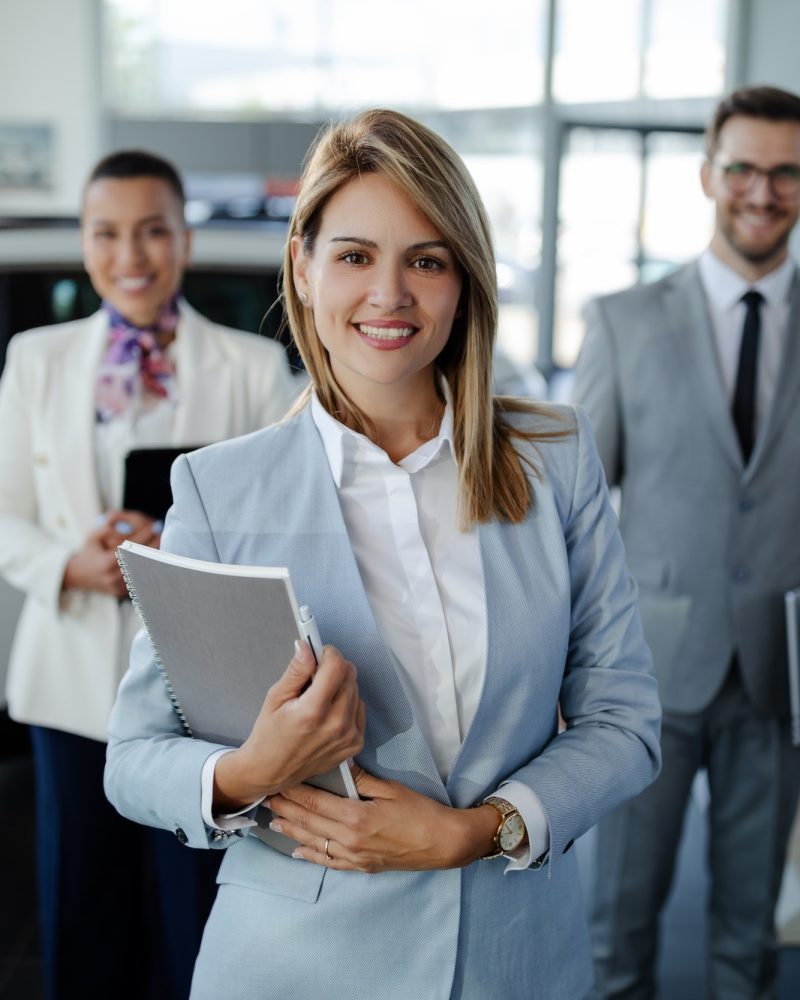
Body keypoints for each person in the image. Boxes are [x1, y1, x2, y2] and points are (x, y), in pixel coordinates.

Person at [104, 109, 660, 1000]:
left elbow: (625, 719)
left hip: (513, 960)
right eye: (356, 255)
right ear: (305, 267)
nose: (390, 294)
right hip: (296, 963)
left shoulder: (553, 458)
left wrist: (480, 831)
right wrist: (252, 768)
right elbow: (134, 759)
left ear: (465, 282)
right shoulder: (221, 489)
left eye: (427, 261)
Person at [0, 149, 297, 999]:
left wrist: (172, 544)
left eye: (152, 230)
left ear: (183, 239)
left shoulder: (248, 368)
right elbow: (6, 510)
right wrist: (69, 561)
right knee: (81, 904)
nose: (131, 254)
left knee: (192, 912)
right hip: (69, 683)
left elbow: (273, 519)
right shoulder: (37, 358)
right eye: (108, 232)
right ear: (86, 242)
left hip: (199, 688)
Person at [573, 85, 800, 999]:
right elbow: (578, 514)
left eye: (787, 172)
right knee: (615, 931)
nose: (762, 190)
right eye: (743, 167)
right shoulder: (623, 322)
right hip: (647, 673)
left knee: (750, 937)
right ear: (709, 174)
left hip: (781, 675)